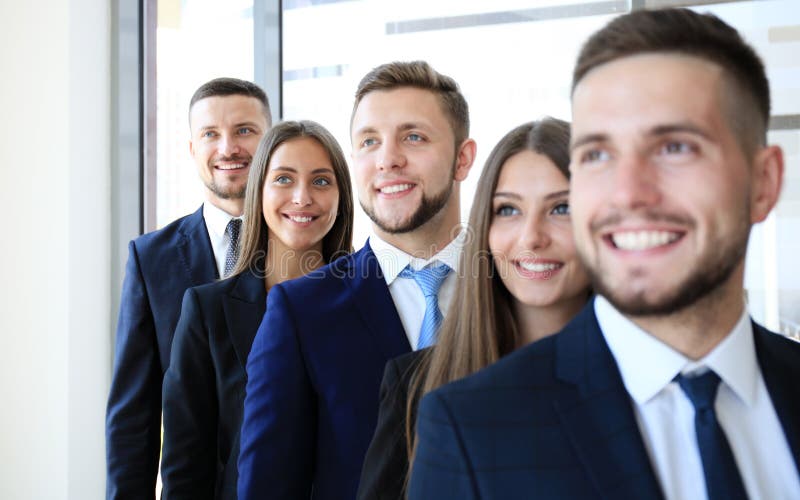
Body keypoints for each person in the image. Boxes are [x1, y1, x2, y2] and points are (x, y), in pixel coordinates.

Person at [409, 8, 800, 500]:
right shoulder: (473, 430)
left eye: (675, 147)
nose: (627, 193)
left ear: (764, 183)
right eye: (597, 155)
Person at [237, 61, 477, 500]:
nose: (388, 159)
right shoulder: (300, 312)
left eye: (414, 136)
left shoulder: (516, 293)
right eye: (370, 141)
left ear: (463, 158)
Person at [357, 118, 592, 499]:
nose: (532, 236)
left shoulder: (648, 377)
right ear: (484, 226)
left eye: (562, 208)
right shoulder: (415, 386)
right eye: (509, 210)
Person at [160, 120, 354, 499]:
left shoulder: (369, 304)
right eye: (283, 179)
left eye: (321, 181)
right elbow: (186, 468)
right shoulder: (207, 311)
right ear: (258, 192)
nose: (302, 197)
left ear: (342, 197)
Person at [105, 78, 271, 499]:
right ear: (192, 148)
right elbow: (133, 415)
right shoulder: (151, 259)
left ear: (271, 140)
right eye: (210, 134)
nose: (228, 147)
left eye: (245, 131)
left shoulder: (307, 251)